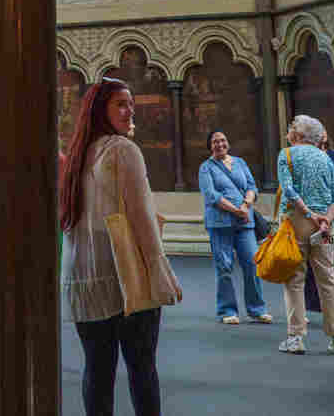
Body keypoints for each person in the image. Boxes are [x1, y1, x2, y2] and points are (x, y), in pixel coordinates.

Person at [60, 77, 182, 416]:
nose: (130, 111)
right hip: (124, 275)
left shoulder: (78, 154)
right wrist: (162, 275)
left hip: (84, 277)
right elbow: (142, 219)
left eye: (131, 104)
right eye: (121, 104)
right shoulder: (122, 149)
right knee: (142, 371)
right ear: (101, 110)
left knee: (97, 372)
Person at [274, 115, 334, 356]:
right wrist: (326, 219)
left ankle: (296, 337)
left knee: (294, 280)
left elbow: (289, 190)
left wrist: (309, 214)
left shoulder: (286, 155)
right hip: (326, 225)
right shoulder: (326, 159)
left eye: (290, 130)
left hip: (298, 222)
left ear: (297, 135)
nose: (288, 134)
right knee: (328, 279)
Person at [197, 129, 270, 325]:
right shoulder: (206, 168)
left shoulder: (240, 163)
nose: (219, 144)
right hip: (220, 224)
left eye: (222, 140)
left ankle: (257, 309)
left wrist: (246, 205)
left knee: (252, 264)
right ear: (210, 146)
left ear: (227, 143)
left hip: (244, 223)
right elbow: (211, 196)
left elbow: (252, 187)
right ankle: (227, 310)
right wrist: (236, 211)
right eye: (215, 142)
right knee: (225, 267)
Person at [304, 133, 334, 315]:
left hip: (332, 213)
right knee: (314, 257)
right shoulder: (305, 156)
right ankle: (315, 301)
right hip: (314, 213)